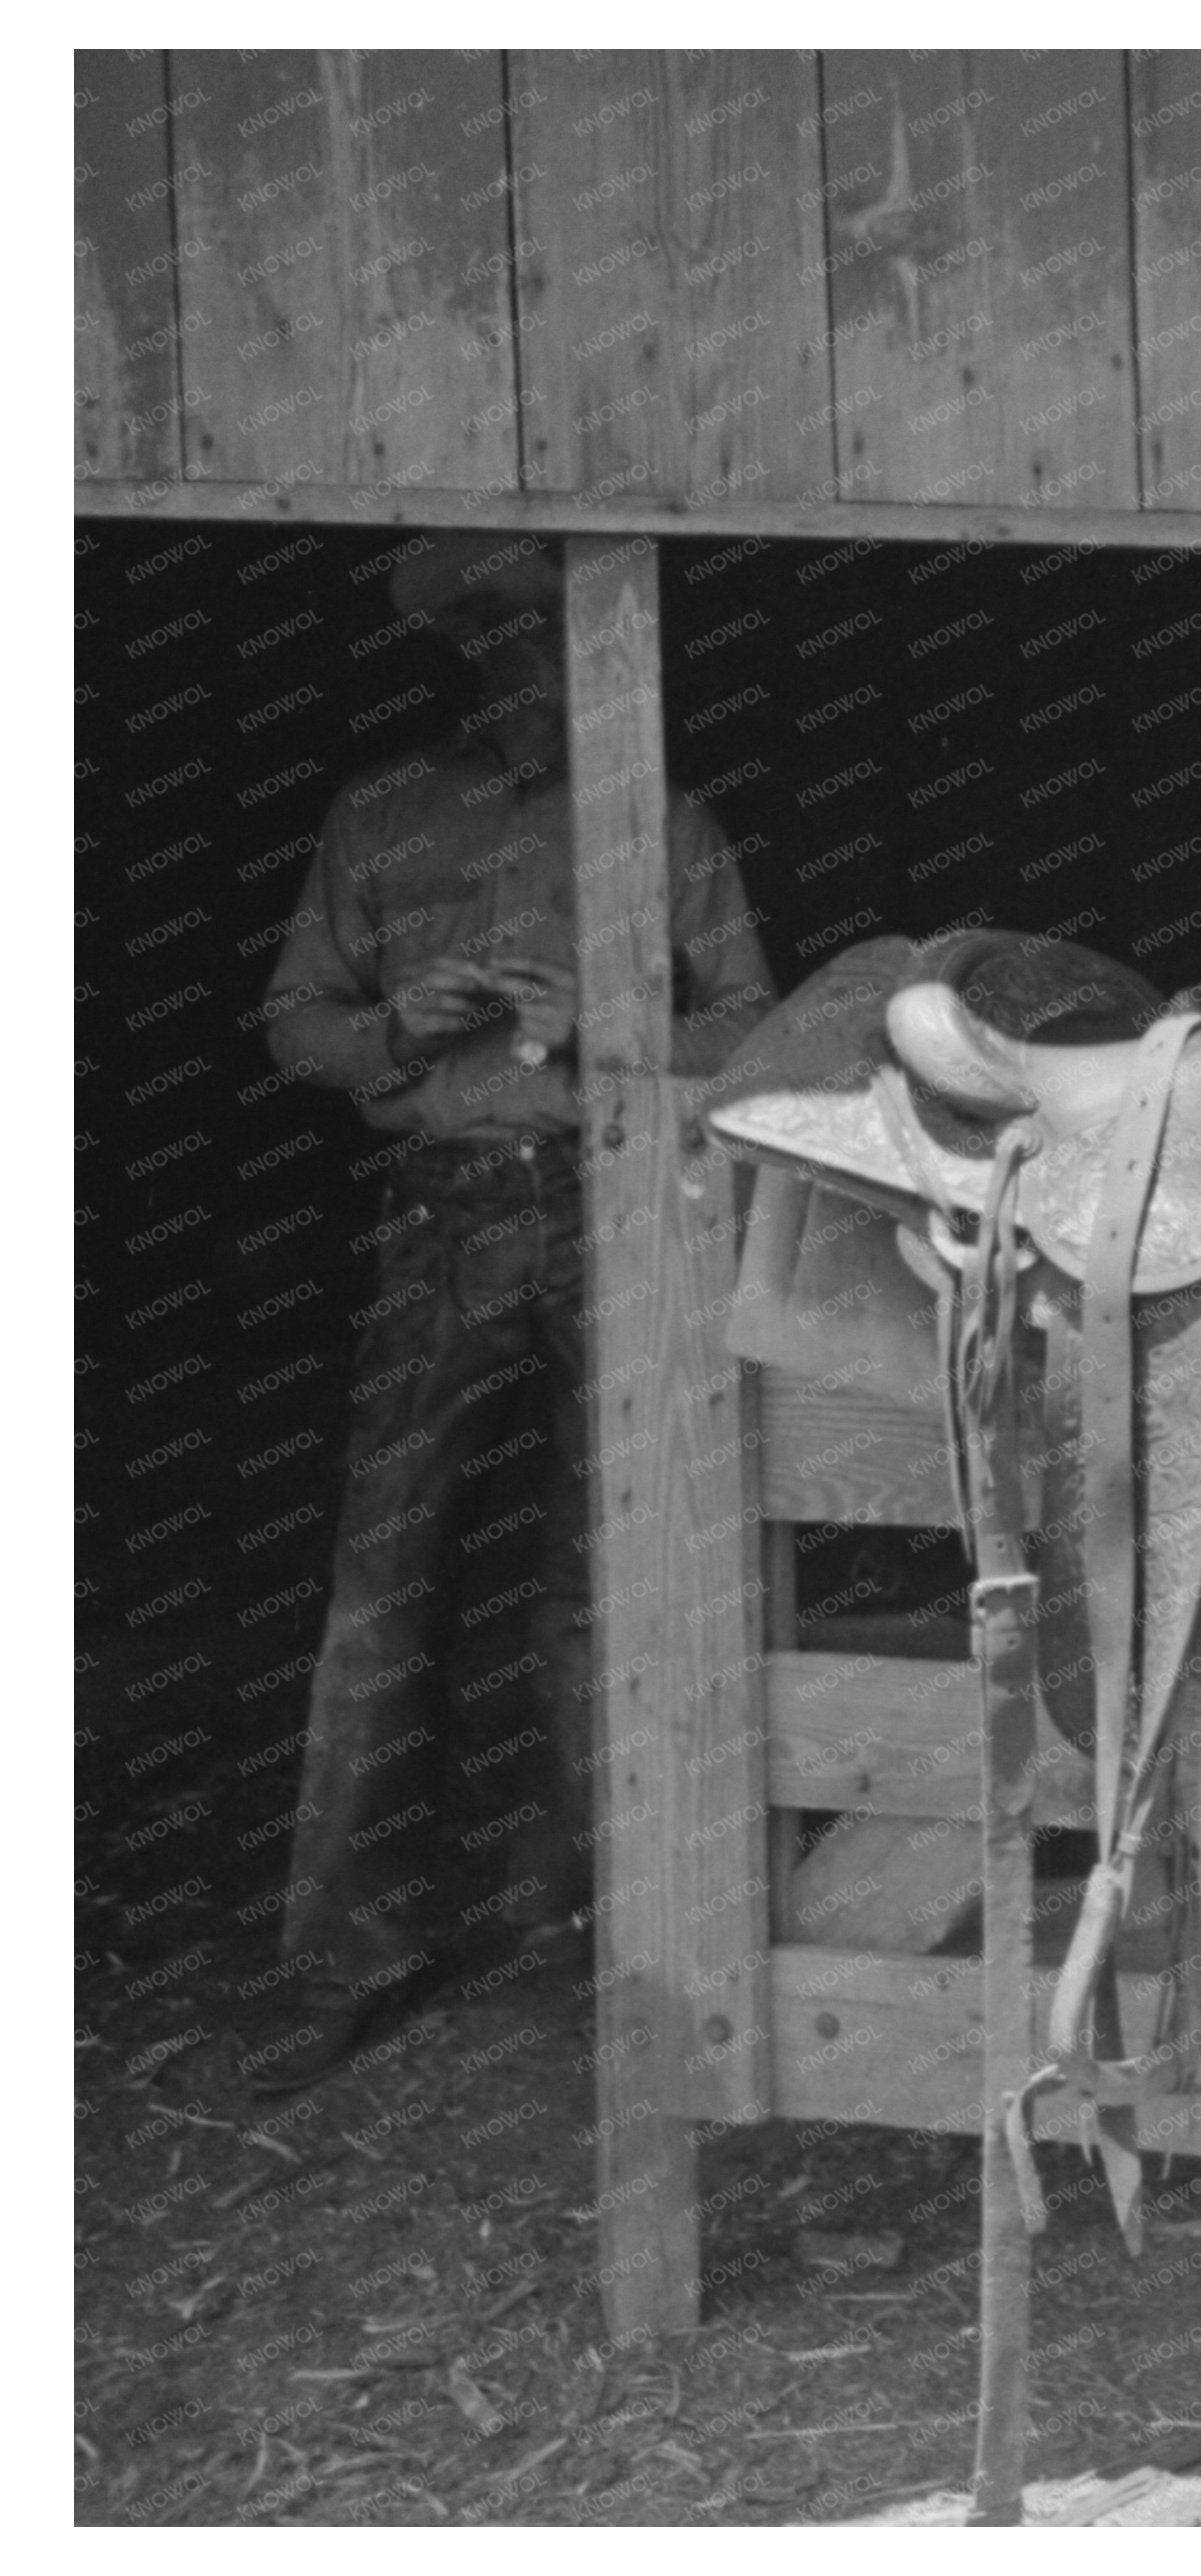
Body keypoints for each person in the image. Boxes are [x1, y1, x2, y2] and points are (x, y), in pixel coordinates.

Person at [245, 533, 776, 2091]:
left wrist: (610, 1031)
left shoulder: (666, 822)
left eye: (543, 633)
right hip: (439, 1222)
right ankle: (349, 1951)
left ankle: (595, 1933)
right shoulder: (382, 815)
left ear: (597, 649)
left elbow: (758, 1029)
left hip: (615, 1222)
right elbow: (292, 1023)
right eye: (488, 638)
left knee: (603, 1581)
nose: (517, 664)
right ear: (457, 657)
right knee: (379, 1592)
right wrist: (393, 1026)